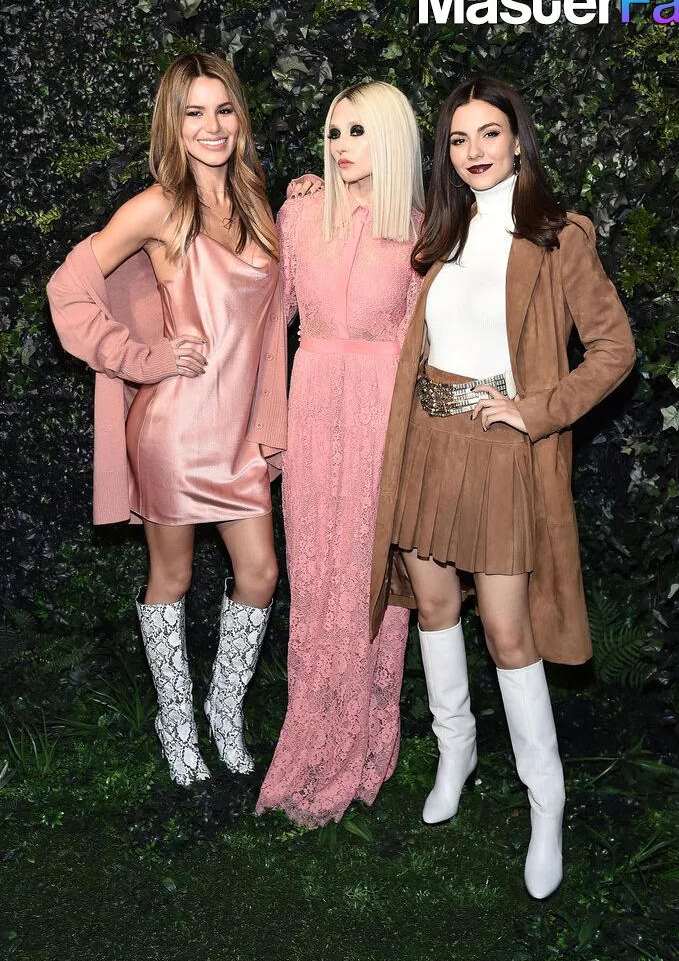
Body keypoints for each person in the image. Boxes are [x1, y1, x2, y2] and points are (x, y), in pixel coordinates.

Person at [369, 76, 636, 897]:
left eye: (488, 133)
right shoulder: (440, 230)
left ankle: (544, 801)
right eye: (457, 139)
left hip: (497, 449)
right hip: (426, 442)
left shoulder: (558, 235)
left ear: (518, 139)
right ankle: (454, 754)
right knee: (433, 607)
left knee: (507, 631)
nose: (473, 151)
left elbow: (614, 348)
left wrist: (536, 412)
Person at [46, 53, 287, 786]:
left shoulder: (257, 202)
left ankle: (223, 711)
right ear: (172, 126)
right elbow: (67, 287)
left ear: (240, 118)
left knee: (260, 572)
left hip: (240, 432)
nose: (212, 126)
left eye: (223, 110)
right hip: (176, 431)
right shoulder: (158, 207)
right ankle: (177, 723)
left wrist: (314, 195)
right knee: (171, 574)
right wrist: (140, 357)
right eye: (194, 113)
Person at [255, 82, 425, 827]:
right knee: (314, 578)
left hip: (383, 416)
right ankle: (310, 742)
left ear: (391, 138)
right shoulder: (299, 215)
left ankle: (366, 746)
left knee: (368, 585)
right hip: (312, 406)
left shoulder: (420, 230)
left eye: (358, 130)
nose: (341, 145)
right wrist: (265, 426)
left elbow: (421, 347)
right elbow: (270, 324)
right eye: (333, 131)